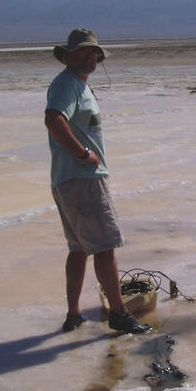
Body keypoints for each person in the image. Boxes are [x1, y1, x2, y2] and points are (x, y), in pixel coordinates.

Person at [44, 28, 151, 334]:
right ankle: (119, 314)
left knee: (78, 248)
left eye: (94, 53)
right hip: (82, 178)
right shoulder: (67, 85)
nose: (89, 58)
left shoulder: (78, 85)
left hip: (70, 179)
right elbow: (54, 120)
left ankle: (74, 314)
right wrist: (83, 153)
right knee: (105, 247)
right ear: (68, 56)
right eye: (83, 52)